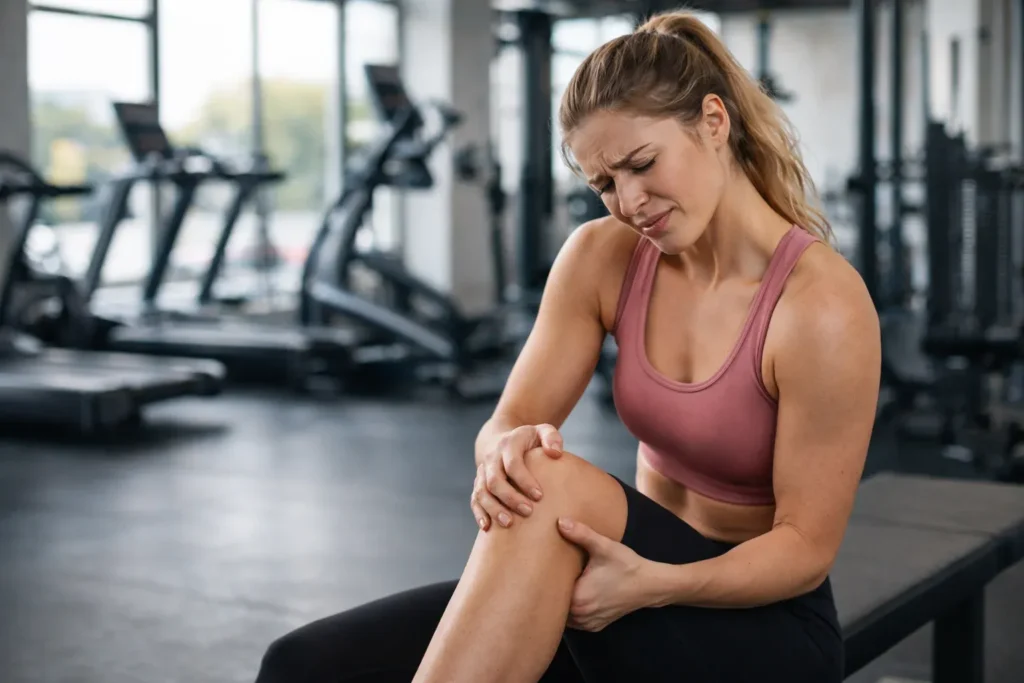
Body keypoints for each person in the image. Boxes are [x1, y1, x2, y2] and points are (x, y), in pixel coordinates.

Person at [254, 10, 880, 683]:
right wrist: (501, 456)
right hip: (618, 583)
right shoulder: (602, 258)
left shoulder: (820, 305)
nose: (630, 201)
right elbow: (508, 418)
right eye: (604, 184)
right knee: (305, 663)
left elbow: (804, 550)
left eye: (642, 164)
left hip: (758, 623)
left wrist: (655, 582)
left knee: (558, 486)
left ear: (714, 123)